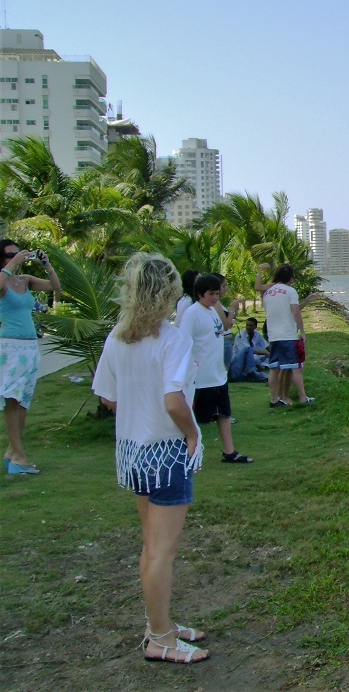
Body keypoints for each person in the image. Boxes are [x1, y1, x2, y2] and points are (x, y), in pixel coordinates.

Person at [91, 253, 209, 664]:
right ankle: (160, 637)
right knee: (162, 551)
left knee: (151, 546)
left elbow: (107, 396)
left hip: (132, 453)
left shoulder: (118, 337)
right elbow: (174, 401)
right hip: (165, 451)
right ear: (168, 293)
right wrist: (193, 435)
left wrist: (135, 401)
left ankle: (158, 623)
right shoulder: (173, 339)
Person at [178, 274, 253, 463]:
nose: (215, 298)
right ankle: (183, 454)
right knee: (192, 418)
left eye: (217, 294)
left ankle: (229, 452)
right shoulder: (192, 314)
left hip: (218, 374)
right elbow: (182, 342)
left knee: (224, 413)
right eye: (211, 294)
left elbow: (223, 328)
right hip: (200, 378)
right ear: (199, 294)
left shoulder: (212, 311)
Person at [1, 240, 60, 475]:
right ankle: (19, 457)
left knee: (23, 402)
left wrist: (46, 265)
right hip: (10, 348)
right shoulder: (4, 281)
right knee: (12, 401)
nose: (16, 257)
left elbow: (55, 286)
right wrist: (11, 266)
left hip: (29, 348)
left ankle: (12, 452)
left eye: (18, 253)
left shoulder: (24, 280)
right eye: (10, 255)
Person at [255, 263, 313, 407]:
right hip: (288, 335)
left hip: (273, 336)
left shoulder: (268, 292)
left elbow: (258, 287)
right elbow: (295, 311)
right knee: (296, 368)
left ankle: (274, 399)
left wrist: (259, 271)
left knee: (274, 369)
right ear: (291, 278)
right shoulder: (290, 291)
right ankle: (303, 398)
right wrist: (303, 331)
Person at [229, 317, 269, 382]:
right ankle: (253, 371)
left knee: (267, 358)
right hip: (238, 361)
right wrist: (265, 353)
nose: (248, 327)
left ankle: (258, 369)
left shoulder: (256, 333)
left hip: (251, 360)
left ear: (255, 326)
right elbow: (249, 351)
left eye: (250, 325)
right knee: (249, 351)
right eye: (247, 325)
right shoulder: (240, 335)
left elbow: (266, 346)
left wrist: (274, 354)